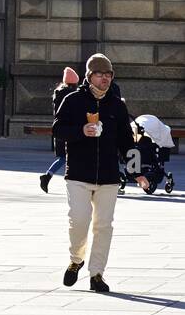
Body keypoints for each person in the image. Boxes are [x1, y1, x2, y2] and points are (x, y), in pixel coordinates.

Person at [54, 53, 146, 293]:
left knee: (104, 226)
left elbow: (127, 141)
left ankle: (97, 274)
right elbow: (58, 129)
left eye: (108, 75)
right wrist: (81, 130)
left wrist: (137, 172)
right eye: (100, 74)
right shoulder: (73, 100)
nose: (105, 78)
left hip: (108, 176)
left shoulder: (117, 104)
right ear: (89, 76)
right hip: (77, 173)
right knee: (79, 221)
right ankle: (76, 260)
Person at [41, 66, 80, 193]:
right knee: (70, 157)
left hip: (59, 128)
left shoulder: (58, 93)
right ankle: (74, 183)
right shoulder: (70, 95)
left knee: (64, 157)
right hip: (70, 130)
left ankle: (47, 176)